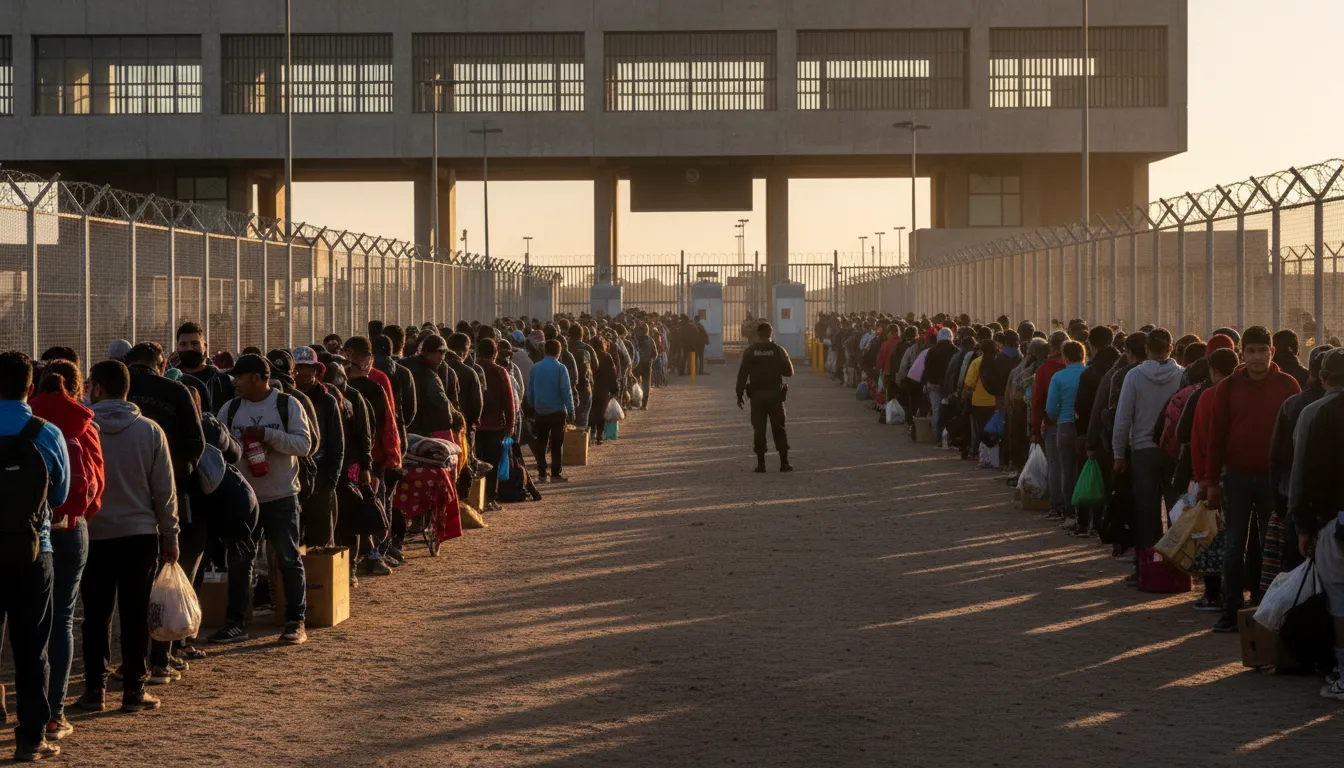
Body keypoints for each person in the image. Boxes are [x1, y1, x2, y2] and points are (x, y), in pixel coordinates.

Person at [81, 359, 179, 715]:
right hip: (140, 534)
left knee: (95, 614)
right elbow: (164, 490)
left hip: (93, 533)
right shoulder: (151, 431)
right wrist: (170, 533)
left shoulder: (83, 428)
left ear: (97, 388)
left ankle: (94, 689)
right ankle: (135, 690)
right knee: (135, 613)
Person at [1204, 326, 1302, 632]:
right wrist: (1211, 482)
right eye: (1251, 351)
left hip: (1276, 482)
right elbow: (1216, 436)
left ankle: (1269, 611)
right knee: (1234, 545)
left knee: (1272, 546)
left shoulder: (1288, 385)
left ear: (1272, 353)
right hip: (1236, 477)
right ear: (1241, 354)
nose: (1257, 357)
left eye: (1263, 351)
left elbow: (1296, 436)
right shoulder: (1229, 388)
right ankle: (1231, 609)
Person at [212, 354, 312, 645]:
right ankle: (236, 623)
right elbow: (217, 449)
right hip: (244, 501)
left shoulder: (287, 404)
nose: (235, 383)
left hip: (281, 496)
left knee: (288, 559)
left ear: (256, 378)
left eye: (240, 377)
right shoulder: (229, 410)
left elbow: (304, 445)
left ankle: (295, 621)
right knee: (240, 561)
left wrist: (267, 435)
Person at [28, 359, 103, 742]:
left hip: (23, 534)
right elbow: (96, 485)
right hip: (70, 530)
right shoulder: (82, 424)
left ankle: (25, 705)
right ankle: (54, 714)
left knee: (24, 623)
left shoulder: (25, 421)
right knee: (63, 619)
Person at [0, 352, 70, 761]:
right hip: (33, 550)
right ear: (30, 388)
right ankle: (31, 737)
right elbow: (59, 496)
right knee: (31, 646)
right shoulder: (47, 433)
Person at [1112, 328, 1184, 578]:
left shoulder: (1134, 376)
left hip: (1142, 451)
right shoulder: (1182, 375)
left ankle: (1145, 567)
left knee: (1145, 510)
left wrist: (1118, 454)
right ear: (1171, 348)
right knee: (1176, 509)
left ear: (1146, 350)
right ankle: (1177, 566)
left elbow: (1123, 418)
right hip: (1174, 452)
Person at [1294, 348, 1344, 701]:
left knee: (1339, 599)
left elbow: (1300, 473)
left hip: (1332, 521)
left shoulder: (1314, 412)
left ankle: (1342, 671)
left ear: (1323, 377)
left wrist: (1301, 523)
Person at [293, 347, 344, 549]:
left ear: (316, 371)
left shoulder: (327, 400)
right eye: (298, 368)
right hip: (293, 475)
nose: (303, 373)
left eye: (308, 368)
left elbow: (337, 443)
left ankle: (321, 580)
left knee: (321, 541)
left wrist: (331, 479)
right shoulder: (285, 400)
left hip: (320, 475)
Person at [735, 322, 795, 473]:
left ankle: (761, 465)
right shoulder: (778, 350)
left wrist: (739, 393)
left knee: (759, 429)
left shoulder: (750, 351)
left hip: (757, 397)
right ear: (770, 333)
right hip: (775, 395)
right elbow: (789, 372)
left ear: (757, 334)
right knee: (779, 429)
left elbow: (743, 373)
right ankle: (784, 463)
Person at [1045, 340, 1088, 534]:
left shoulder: (1059, 377)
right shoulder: (1089, 374)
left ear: (1065, 356)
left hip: (1064, 425)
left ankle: (1070, 513)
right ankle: (1087, 513)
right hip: (1085, 428)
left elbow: (1051, 407)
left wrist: (1058, 418)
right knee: (1085, 470)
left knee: (1067, 471)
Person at [475, 338, 516, 511]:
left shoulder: (472, 369)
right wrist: (510, 423)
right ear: (496, 353)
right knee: (493, 463)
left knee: (475, 462)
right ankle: (490, 498)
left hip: (474, 426)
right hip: (495, 426)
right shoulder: (500, 371)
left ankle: (474, 497)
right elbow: (509, 399)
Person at [525, 339, 574, 483]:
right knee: (557, 444)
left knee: (541, 443)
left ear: (544, 351)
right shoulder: (561, 368)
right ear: (559, 352)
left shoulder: (535, 368)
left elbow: (530, 391)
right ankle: (555, 474)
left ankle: (541, 473)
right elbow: (566, 391)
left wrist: (534, 405)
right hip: (558, 411)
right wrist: (571, 409)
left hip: (540, 411)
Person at [175, 321, 234, 414]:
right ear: (177, 347)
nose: (189, 348)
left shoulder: (223, 381)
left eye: (195, 343)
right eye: (183, 344)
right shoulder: (170, 380)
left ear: (205, 346)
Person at [589, 335, 620, 447]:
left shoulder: (590, 355)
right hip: (604, 389)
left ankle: (591, 433)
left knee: (592, 412)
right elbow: (613, 374)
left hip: (592, 388)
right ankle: (599, 436)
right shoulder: (607, 356)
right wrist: (614, 389)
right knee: (601, 413)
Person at [633, 323, 657, 410]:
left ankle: (636, 402)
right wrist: (650, 360)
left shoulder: (635, 340)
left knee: (635, 384)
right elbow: (655, 354)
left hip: (637, 366)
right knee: (646, 385)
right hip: (646, 365)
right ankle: (644, 405)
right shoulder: (650, 340)